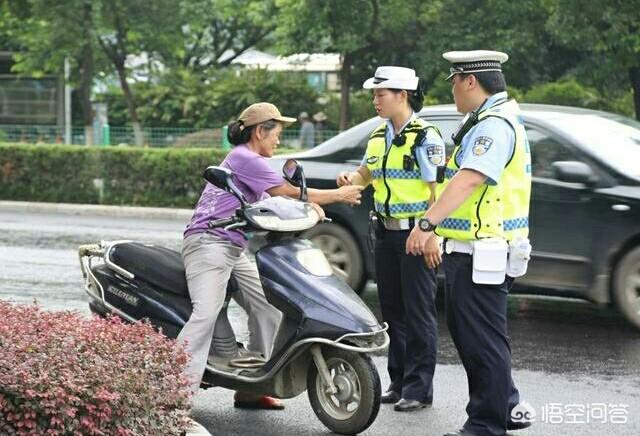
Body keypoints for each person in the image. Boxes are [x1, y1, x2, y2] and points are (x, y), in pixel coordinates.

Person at [179, 102, 364, 410]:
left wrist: (311, 208)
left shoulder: (250, 164)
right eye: (276, 133)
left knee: (268, 307)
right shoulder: (244, 157)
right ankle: (173, 395)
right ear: (259, 131)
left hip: (233, 246)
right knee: (205, 314)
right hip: (207, 243)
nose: (278, 140)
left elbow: (273, 202)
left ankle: (251, 389)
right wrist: (336, 196)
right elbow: (286, 191)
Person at [404, 51, 533, 436]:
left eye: (455, 81)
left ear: (470, 81)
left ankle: (485, 425)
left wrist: (427, 223)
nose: (454, 89)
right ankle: (505, 405)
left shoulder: (493, 125)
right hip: (480, 248)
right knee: (482, 337)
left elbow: (470, 178)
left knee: (481, 343)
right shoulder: (492, 119)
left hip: (483, 251)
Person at [337, 66, 446, 412]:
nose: (375, 101)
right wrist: (352, 178)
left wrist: (431, 236)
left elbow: (438, 192)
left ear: (403, 95)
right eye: (374, 95)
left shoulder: (426, 137)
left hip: (416, 235)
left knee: (419, 313)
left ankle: (419, 388)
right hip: (385, 233)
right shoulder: (378, 136)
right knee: (393, 312)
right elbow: (368, 171)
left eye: (380, 94)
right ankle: (398, 381)